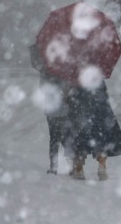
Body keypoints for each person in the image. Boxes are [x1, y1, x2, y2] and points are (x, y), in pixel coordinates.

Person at [65, 77, 121, 181]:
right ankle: (102, 166)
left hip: (82, 114)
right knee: (100, 139)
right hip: (99, 114)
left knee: (80, 140)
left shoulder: (76, 77)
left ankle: (79, 168)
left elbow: (71, 99)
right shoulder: (98, 77)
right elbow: (104, 95)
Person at [29, 44, 70, 175]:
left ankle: (54, 165)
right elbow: (68, 88)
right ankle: (71, 164)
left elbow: (43, 88)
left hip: (52, 109)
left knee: (54, 138)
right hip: (64, 107)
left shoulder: (45, 70)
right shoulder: (64, 69)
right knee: (65, 137)